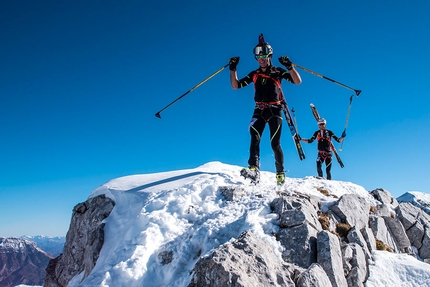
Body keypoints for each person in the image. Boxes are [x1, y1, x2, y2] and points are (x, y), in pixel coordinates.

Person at [229, 34, 302, 185]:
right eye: (258, 56)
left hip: (275, 110)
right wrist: (233, 68)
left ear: (269, 55)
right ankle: (254, 169)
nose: (261, 58)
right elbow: (236, 86)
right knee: (254, 136)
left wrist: (289, 66)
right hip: (259, 110)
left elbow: (297, 81)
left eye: (264, 55)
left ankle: (280, 173)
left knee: (275, 143)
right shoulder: (254, 74)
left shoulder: (277, 71)